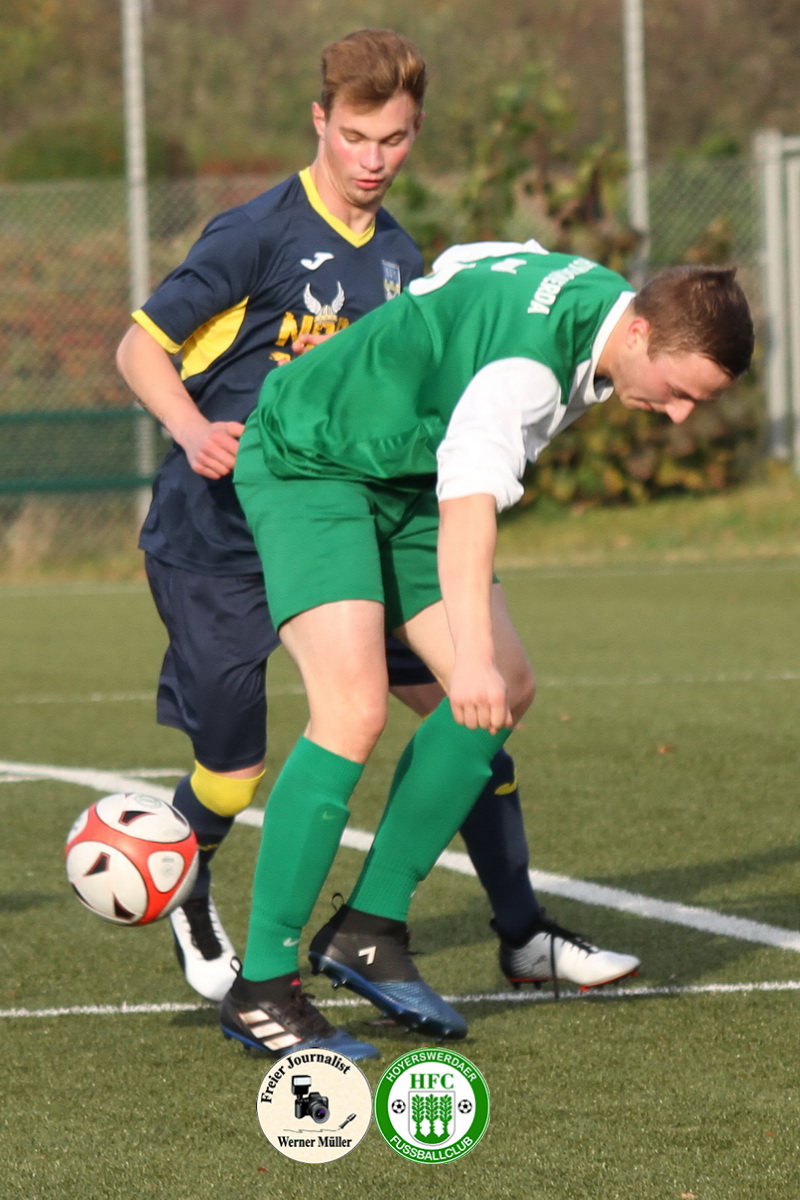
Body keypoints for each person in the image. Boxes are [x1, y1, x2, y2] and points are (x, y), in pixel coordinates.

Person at [115, 30, 637, 1028]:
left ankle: (521, 929)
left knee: (473, 701)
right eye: (355, 137)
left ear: (414, 132)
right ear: (320, 121)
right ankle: (182, 875)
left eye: (393, 140)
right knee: (231, 770)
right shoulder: (255, 234)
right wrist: (191, 429)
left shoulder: (403, 257)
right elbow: (140, 348)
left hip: (344, 521)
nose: (372, 159)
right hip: (220, 535)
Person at [224, 244, 754, 1060]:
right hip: (312, 458)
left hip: (404, 473)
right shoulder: (527, 376)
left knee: (507, 685)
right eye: (679, 391)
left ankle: (369, 928)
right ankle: (261, 989)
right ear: (641, 333)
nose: (680, 415)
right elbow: (471, 506)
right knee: (354, 709)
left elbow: (466, 262)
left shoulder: (597, 292)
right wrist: (465, 655)